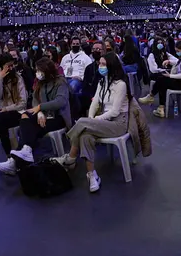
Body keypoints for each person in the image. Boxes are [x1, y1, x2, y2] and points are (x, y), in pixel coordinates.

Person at [52, 53, 132, 193]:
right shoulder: (103, 81)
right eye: (99, 64)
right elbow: (95, 102)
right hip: (103, 121)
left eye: (103, 64)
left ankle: (70, 157)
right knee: (85, 135)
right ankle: (92, 175)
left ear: (111, 66)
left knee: (83, 123)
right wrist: (90, 118)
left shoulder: (121, 85)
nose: (99, 67)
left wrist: (92, 120)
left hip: (118, 124)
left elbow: (114, 112)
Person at [0, 58, 70, 174]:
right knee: (25, 116)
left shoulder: (60, 82)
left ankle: (14, 162)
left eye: (39, 70)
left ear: (46, 70)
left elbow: (60, 102)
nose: (37, 73)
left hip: (58, 118)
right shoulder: (40, 82)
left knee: (28, 129)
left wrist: (40, 108)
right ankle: (25, 151)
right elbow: (35, 100)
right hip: (43, 115)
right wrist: (39, 113)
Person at [0, 55, 28, 164]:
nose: (11, 68)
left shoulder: (18, 78)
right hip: (3, 114)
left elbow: (22, 103)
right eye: (8, 66)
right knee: (0, 122)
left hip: (18, 112)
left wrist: (7, 108)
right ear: (1, 67)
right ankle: (9, 158)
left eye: (12, 65)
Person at [138, 41, 181, 117]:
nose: (177, 53)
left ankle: (152, 97)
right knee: (163, 82)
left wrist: (170, 76)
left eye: (178, 51)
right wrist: (169, 62)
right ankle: (160, 107)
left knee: (162, 80)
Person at [80, 41, 106, 116]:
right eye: (93, 49)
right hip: (91, 96)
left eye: (98, 49)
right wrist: (91, 97)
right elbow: (85, 86)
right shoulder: (89, 68)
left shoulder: (109, 66)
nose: (95, 51)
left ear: (104, 51)